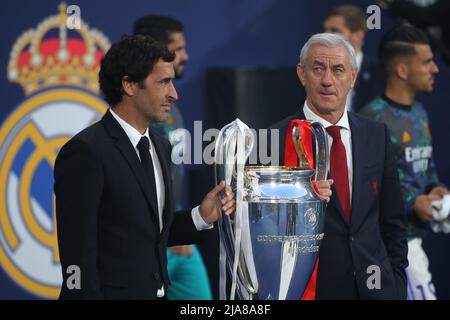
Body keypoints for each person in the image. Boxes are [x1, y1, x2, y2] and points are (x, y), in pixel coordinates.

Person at [54, 35, 235, 299]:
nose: (174, 93)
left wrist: (200, 216)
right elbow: (77, 257)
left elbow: (149, 234)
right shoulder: (86, 152)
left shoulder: (160, 146)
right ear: (129, 85)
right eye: (163, 82)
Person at [267, 33, 408, 299]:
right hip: (312, 292)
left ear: (353, 77)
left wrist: (396, 283)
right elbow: (264, 232)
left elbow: (393, 222)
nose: (327, 80)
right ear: (302, 73)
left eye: (338, 70)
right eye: (318, 68)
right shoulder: (275, 140)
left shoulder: (377, 135)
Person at [360, 25, 449, 300]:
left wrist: (435, 190)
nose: (435, 68)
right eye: (427, 62)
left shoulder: (420, 112)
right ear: (401, 70)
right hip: (387, 249)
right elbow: (363, 188)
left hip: (414, 244)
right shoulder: (372, 121)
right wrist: (413, 203)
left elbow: (427, 170)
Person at [133, 15, 212, 300]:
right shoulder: (138, 112)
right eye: (178, 49)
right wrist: (166, 235)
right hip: (151, 243)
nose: (185, 55)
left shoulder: (170, 106)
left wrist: (180, 230)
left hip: (179, 238)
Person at [323, 4, 384, 112]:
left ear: (358, 35)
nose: (326, 36)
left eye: (335, 31)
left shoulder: (380, 74)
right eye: (325, 30)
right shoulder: (316, 72)